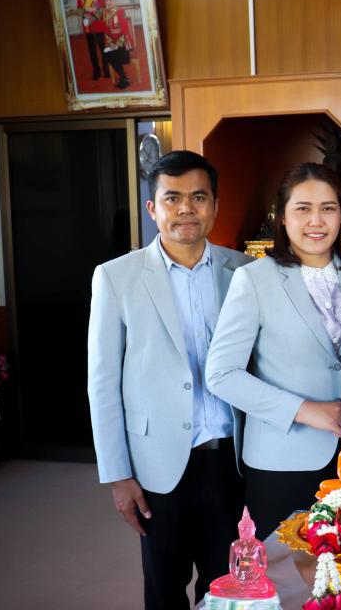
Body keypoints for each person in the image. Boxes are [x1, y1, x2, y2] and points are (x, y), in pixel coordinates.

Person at [87, 150, 252, 609]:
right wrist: (118, 475)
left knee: (229, 587)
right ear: (152, 208)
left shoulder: (245, 271)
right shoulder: (116, 277)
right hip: (156, 463)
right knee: (164, 588)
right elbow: (102, 383)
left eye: (198, 197)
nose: (185, 209)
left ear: (215, 205)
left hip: (231, 458)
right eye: (172, 198)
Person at [206, 163, 341, 539]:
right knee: (289, 567)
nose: (316, 220)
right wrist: (305, 410)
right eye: (303, 208)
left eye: (328, 208)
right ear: (282, 217)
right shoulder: (253, 279)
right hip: (282, 458)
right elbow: (221, 374)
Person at [100, 0, 134, 89]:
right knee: (106, 54)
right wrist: (111, 43)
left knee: (113, 55)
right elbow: (106, 32)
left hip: (123, 43)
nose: (108, 2)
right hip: (112, 44)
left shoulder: (120, 11)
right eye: (106, 0)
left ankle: (123, 78)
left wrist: (117, 44)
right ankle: (124, 77)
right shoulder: (104, 14)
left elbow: (125, 31)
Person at [76, 0, 109, 80]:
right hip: (87, 25)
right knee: (92, 49)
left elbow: (102, 6)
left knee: (102, 47)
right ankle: (96, 71)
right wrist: (85, 14)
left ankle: (106, 69)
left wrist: (93, 17)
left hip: (98, 22)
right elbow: (79, 8)